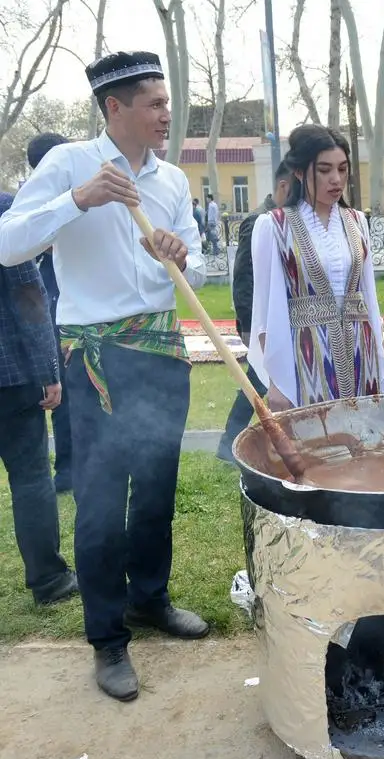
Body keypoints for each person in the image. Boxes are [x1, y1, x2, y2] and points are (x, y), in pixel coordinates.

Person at [0, 51, 209, 703]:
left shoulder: (171, 180)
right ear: (114, 108)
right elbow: (8, 243)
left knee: (155, 489)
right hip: (95, 360)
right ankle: (107, 637)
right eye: (153, 102)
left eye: (166, 102)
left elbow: (195, 266)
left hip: (159, 349)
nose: (165, 113)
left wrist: (181, 256)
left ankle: (150, 598)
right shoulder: (69, 164)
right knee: (98, 501)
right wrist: (77, 199)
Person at [248, 124, 384, 409]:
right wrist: (276, 382)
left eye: (342, 169)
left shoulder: (357, 221)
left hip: (360, 352)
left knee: (363, 442)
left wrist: (379, 362)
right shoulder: (274, 226)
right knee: (315, 444)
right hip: (306, 355)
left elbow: (369, 299)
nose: (336, 179)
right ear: (300, 171)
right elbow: (265, 311)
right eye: (324, 170)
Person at [0, 191, 79, 606]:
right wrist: (50, 372)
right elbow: (29, 298)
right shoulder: (5, 211)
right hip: (9, 376)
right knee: (30, 478)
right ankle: (49, 581)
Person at [217, 161, 293, 462]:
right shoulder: (259, 221)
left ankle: (229, 441)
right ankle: (228, 442)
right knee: (259, 380)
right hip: (258, 321)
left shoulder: (283, 221)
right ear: (284, 186)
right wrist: (249, 324)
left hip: (276, 319)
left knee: (258, 379)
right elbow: (246, 278)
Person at [27, 132, 73, 493]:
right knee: (67, 396)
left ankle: (71, 469)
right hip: (57, 303)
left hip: (58, 304)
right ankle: (71, 469)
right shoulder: (40, 203)